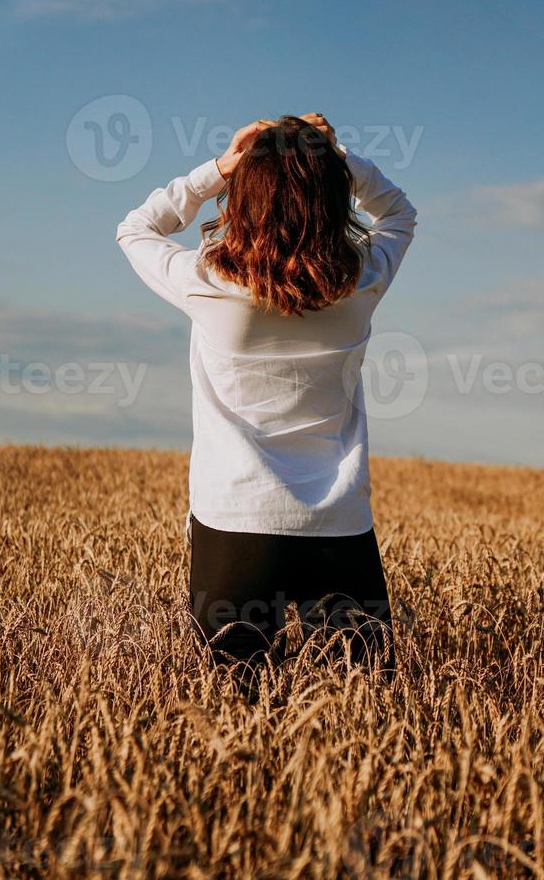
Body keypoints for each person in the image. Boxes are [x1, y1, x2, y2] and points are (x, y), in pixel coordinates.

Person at [116, 113, 417, 671]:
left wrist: (220, 168)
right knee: (363, 724)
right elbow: (399, 211)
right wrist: (332, 154)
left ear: (244, 195)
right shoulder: (364, 280)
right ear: (334, 194)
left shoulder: (207, 282)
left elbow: (135, 229)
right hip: (339, 529)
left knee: (238, 723)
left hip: (234, 529)